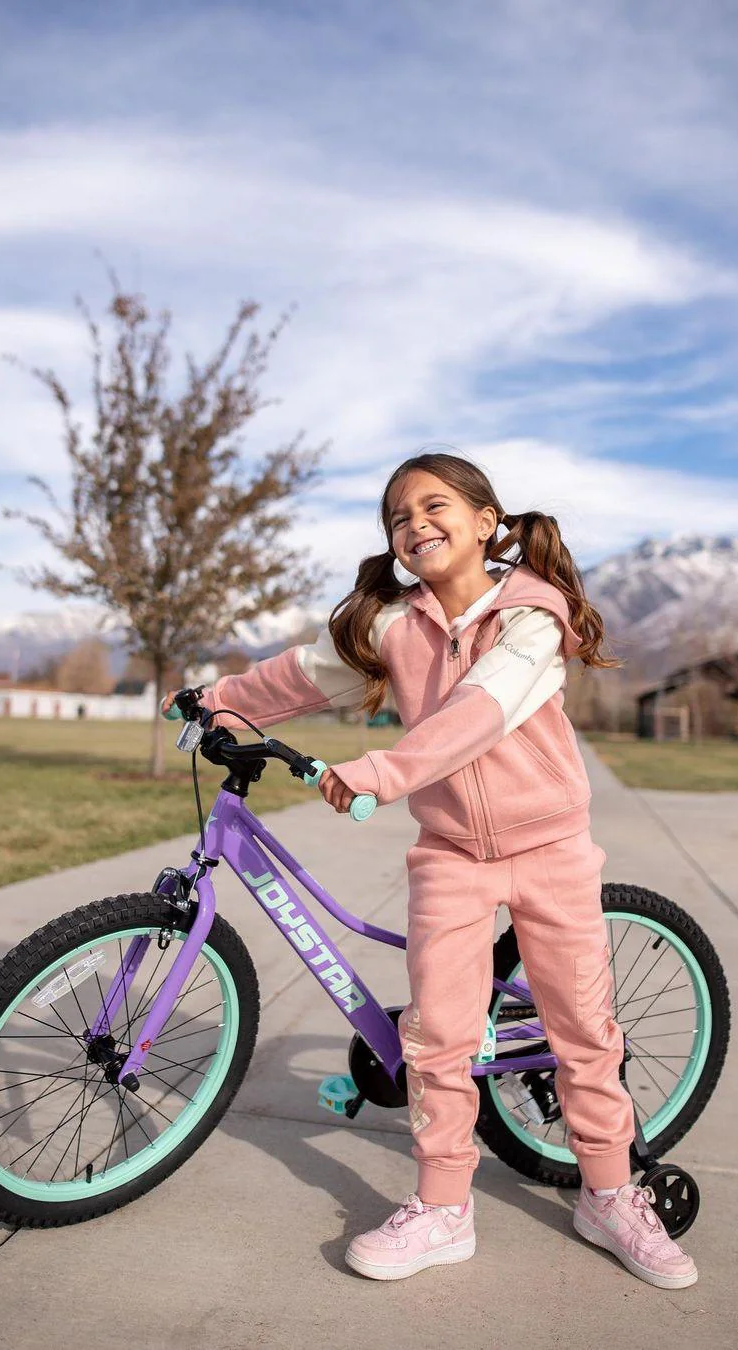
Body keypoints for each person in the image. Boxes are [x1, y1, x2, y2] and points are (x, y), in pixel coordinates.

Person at [162, 451, 697, 1290]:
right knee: (438, 1036)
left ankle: (608, 1194)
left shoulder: (533, 615)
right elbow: (302, 674)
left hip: (551, 849)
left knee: (584, 1033)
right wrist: (218, 697)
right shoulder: (392, 625)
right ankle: (444, 1209)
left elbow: (481, 710)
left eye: (434, 506)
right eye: (398, 518)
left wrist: (381, 771)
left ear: (485, 521)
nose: (415, 525)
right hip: (450, 854)